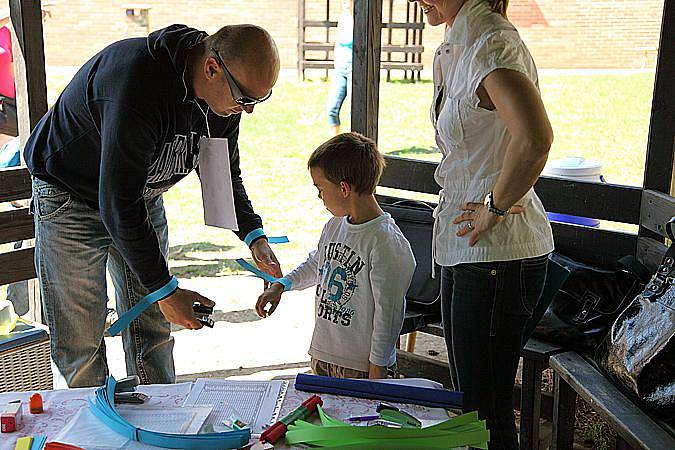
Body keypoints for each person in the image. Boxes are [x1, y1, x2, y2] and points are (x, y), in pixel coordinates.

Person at [23, 24, 283, 388]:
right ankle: (102, 437)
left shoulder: (225, 102)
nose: (248, 111)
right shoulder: (139, 83)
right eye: (246, 99)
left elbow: (222, 177)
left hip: (136, 198)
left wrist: (254, 237)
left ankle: (162, 426)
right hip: (71, 196)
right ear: (212, 68)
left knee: (153, 328)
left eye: (258, 100)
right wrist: (165, 290)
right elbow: (117, 202)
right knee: (81, 342)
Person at [410, 1, 554, 448]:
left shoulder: (490, 43)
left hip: (498, 256)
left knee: (484, 414)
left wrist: (496, 205)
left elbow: (535, 137)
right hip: (467, 251)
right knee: (473, 407)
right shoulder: (459, 42)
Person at [256, 132, 416, 379]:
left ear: (343, 188)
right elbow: (317, 264)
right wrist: (282, 285)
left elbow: (389, 315)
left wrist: (377, 372)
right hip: (323, 357)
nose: (319, 196)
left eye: (320, 188)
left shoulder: (386, 243)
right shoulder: (334, 226)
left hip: (362, 368)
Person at [326, 0, 353, 135]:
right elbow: (339, 42)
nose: (345, 3)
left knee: (353, 111)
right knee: (331, 109)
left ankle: (357, 148)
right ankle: (334, 144)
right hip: (340, 68)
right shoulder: (343, 18)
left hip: (354, 69)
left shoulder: (359, 19)